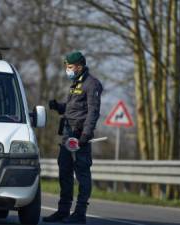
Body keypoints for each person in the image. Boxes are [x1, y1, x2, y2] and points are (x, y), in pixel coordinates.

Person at [43, 51, 103, 224]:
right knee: (64, 172)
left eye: (69, 67)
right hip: (67, 135)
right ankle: (63, 211)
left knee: (82, 174)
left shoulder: (92, 84)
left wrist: (85, 135)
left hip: (79, 136)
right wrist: (59, 107)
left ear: (79, 66)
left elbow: (93, 112)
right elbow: (74, 108)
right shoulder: (75, 83)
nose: (67, 70)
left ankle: (80, 213)